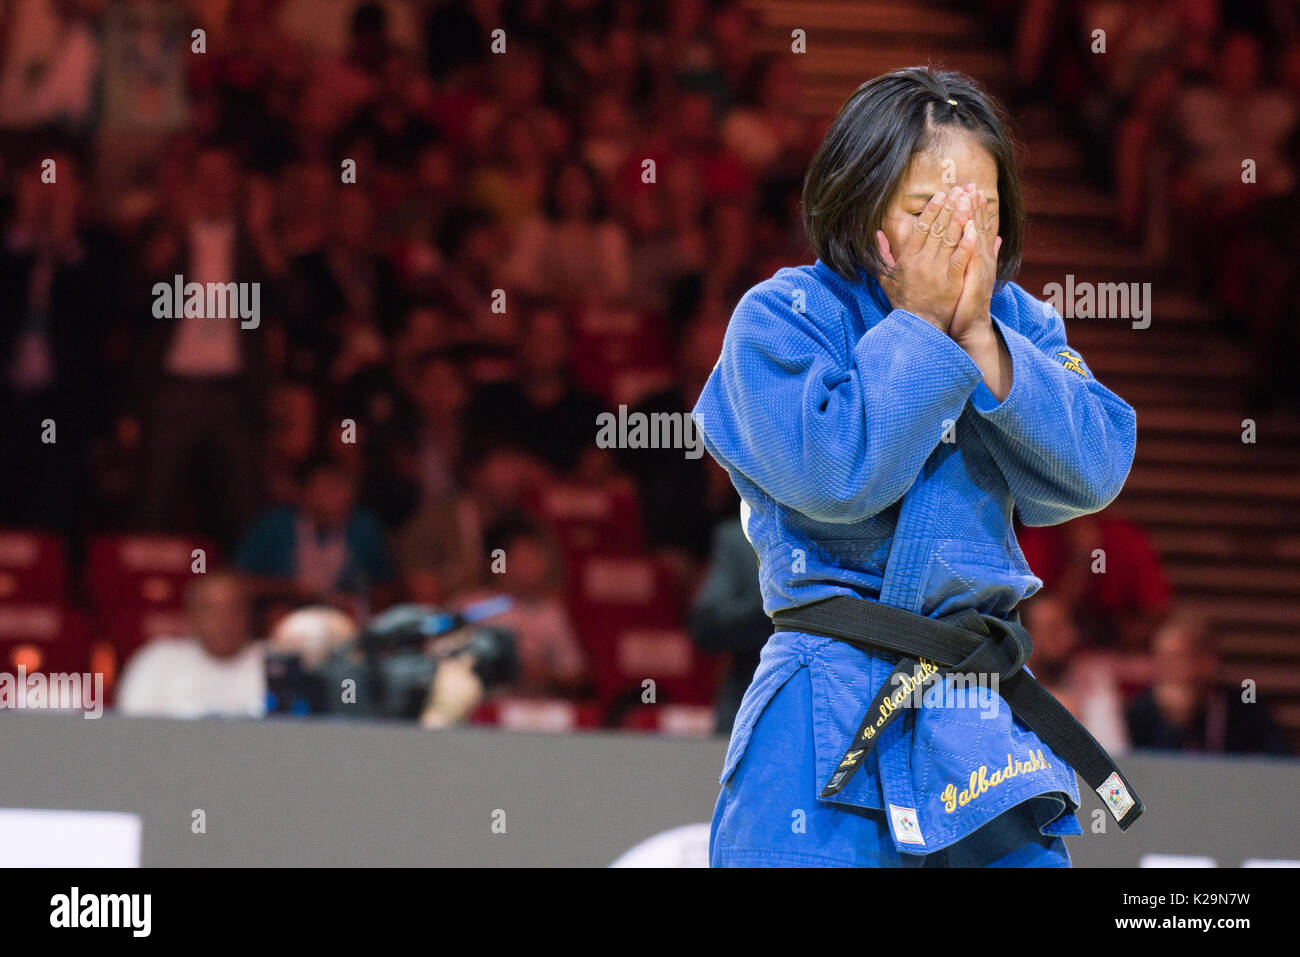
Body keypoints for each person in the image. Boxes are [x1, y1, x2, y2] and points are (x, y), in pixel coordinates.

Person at [694, 67, 1138, 868]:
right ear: (863, 213)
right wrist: (924, 330)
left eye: (984, 213)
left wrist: (983, 348)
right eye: (932, 213)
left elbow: (1096, 467)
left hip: (975, 720)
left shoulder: (1017, 324)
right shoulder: (782, 319)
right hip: (823, 710)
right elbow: (837, 477)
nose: (961, 242)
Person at [1126, 612, 1291, 756]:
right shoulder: (1141, 711)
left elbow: (1278, 765)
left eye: (1177, 658)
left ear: (1207, 661)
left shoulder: (1246, 708)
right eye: (1162, 658)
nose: (1167, 669)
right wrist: (1174, 723)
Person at [115, 571, 265, 719]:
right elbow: (131, 733)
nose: (224, 620)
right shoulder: (157, 660)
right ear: (192, 615)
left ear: (249, 614)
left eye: (233, 608)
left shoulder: (272, 663)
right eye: (210, 610)